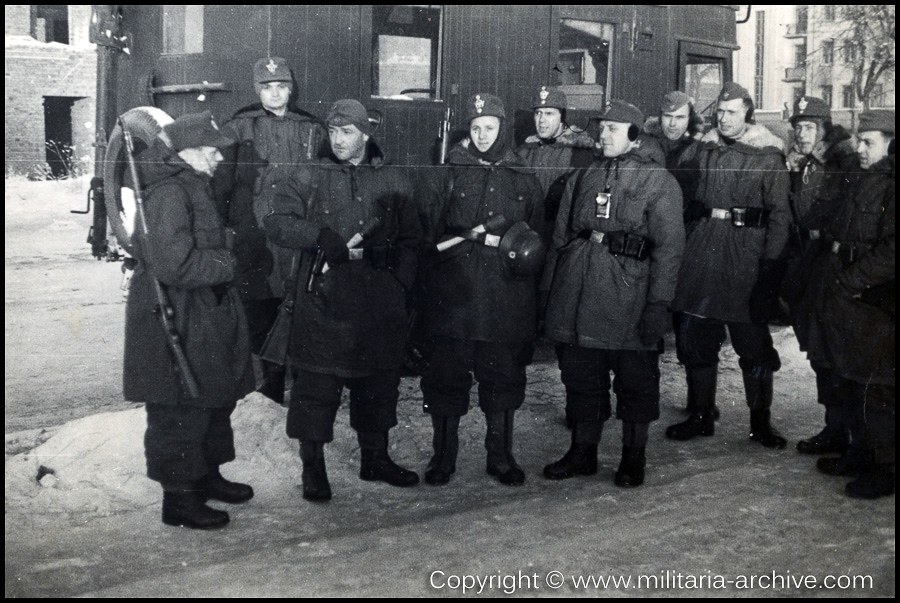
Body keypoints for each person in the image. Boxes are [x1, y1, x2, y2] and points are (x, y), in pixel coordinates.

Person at [265, 99, 421, 502]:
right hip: (323, 300)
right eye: (332, 132)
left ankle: (376, 459)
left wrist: (398, 285)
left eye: (346, 132)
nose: (337, 140)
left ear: (365, 134)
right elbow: (277, 221)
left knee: (378, 385)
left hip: (376, 301)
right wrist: (317, 235)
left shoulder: (394, 179)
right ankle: (313, 470)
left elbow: (411, 239)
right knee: (316, 389)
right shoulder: (307, 173)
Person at [541, 100, 684, 487]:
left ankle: (633, 457)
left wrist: (659, 303)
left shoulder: (659, 181)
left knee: (635, 380)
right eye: (601, 127)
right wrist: (550, 293)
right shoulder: (583, 175)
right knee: (581, 375)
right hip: (580, 284)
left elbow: (670, 249)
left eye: (612, 129)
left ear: (634, 136)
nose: (602, 135)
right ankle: (582, 451)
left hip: (630, 291)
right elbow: (561, 236)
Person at [124, 111, 255, 530]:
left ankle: (206, 476)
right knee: (181, 402)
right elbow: (173, 265)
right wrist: (226, 263)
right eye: (211, 150)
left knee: (212, 394)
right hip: (177, 312)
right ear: (187, 151)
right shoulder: (168, 192)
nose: (218, 158)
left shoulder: (192, 184)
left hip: (200, 308)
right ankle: (179, 498)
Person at [419, 93, 544, 487]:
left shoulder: (523, 176)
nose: (482, 135)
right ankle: (444, 456)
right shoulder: (449, 170)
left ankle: (501, 456)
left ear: (502, 129)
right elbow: (428, 230)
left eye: (489, 127)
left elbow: (537, 234)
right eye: (475, 128)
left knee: (503, 377)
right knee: (445, 378)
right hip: (454, 293)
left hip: (505, 295)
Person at [665, 83, 791, 450]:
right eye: (720, 111)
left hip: (745, 258)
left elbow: (780, 215)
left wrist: (770, 269)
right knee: (697, 339)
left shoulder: (767, 154)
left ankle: (760, 422)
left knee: (752, 344)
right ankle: (701, 415)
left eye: (732, 112)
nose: (724, 118)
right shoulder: (704, 146)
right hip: (702, 251)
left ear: (748, 113)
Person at [216, 56, 326, 405]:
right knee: (258, 316)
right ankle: (263, 398)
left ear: (291, 90)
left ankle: (301, 394)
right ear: (257, 91)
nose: (275, 94)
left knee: (299, 312)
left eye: (281, 87)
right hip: (255, 239)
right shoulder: (238, 128)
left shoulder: (311, 128)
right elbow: (221, 186)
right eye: (267, 87)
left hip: (297, 238)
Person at [801, 110, 894, 499]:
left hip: (872, 296)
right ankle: (859, 451)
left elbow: (892, 250)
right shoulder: (859, 176)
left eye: (869, 141)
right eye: (858, 139)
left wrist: (852, 281)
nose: (859, 147)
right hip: (844, 288)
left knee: (878, 385)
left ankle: (886, 467)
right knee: (850, 376)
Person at [780, 96, 858, 457]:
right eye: (797, 126)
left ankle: (846, 430)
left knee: (835, 348)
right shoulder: (802, 162)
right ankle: (836, 426)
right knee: (818, 347)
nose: (801, 133)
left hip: (832, 262)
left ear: (825, 128)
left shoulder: (846, 162)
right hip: (808, 260)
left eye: (809, 126)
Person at [515, 86, 594, 247]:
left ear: (562, 117)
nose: (541, 120)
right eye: (538, 113)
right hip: (525, 240)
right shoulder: (523, 153)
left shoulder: (580, 156)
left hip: (560, 242)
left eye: (549, 114)